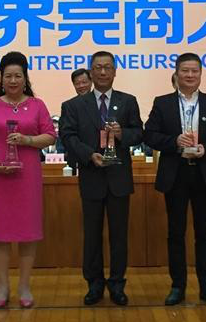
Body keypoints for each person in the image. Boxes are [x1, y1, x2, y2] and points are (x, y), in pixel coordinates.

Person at [144, 53, 206, 306]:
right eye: (185, 70)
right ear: (176, 73)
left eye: (195, 71)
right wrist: (174, 142)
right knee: (176, 232)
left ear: (200, 74)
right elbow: (150, 135)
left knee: (204, 233)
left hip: (204, 173)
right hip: (176, 174)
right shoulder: (163, 103)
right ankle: (177, 286)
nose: (190, 75)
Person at [59, 51, 143, 306]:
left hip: (119, 178)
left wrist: (121, 134)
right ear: (91, 72)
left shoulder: (128, 101)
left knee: (119, 235)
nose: (103, 72)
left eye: (108, 67)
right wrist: (89, 155)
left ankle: (117, 284)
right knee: (92, 235)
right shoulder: (74, 105)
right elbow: (68, 136)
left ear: (115, 71)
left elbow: (139, 133)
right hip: (91, 176)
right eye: (98, 68)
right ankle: (94, 284)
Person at [0, 51, 56, 309]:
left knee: (27, 233)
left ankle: (24, 286)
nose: (12, 81)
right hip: (0, 177)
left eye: (17, 76)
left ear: (25, 78)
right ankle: (2, 286)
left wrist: (27, 140)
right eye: (8, 76)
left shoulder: (37, 105)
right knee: (1, 234)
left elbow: (50, 135)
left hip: (27, 176)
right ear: (1, 79)